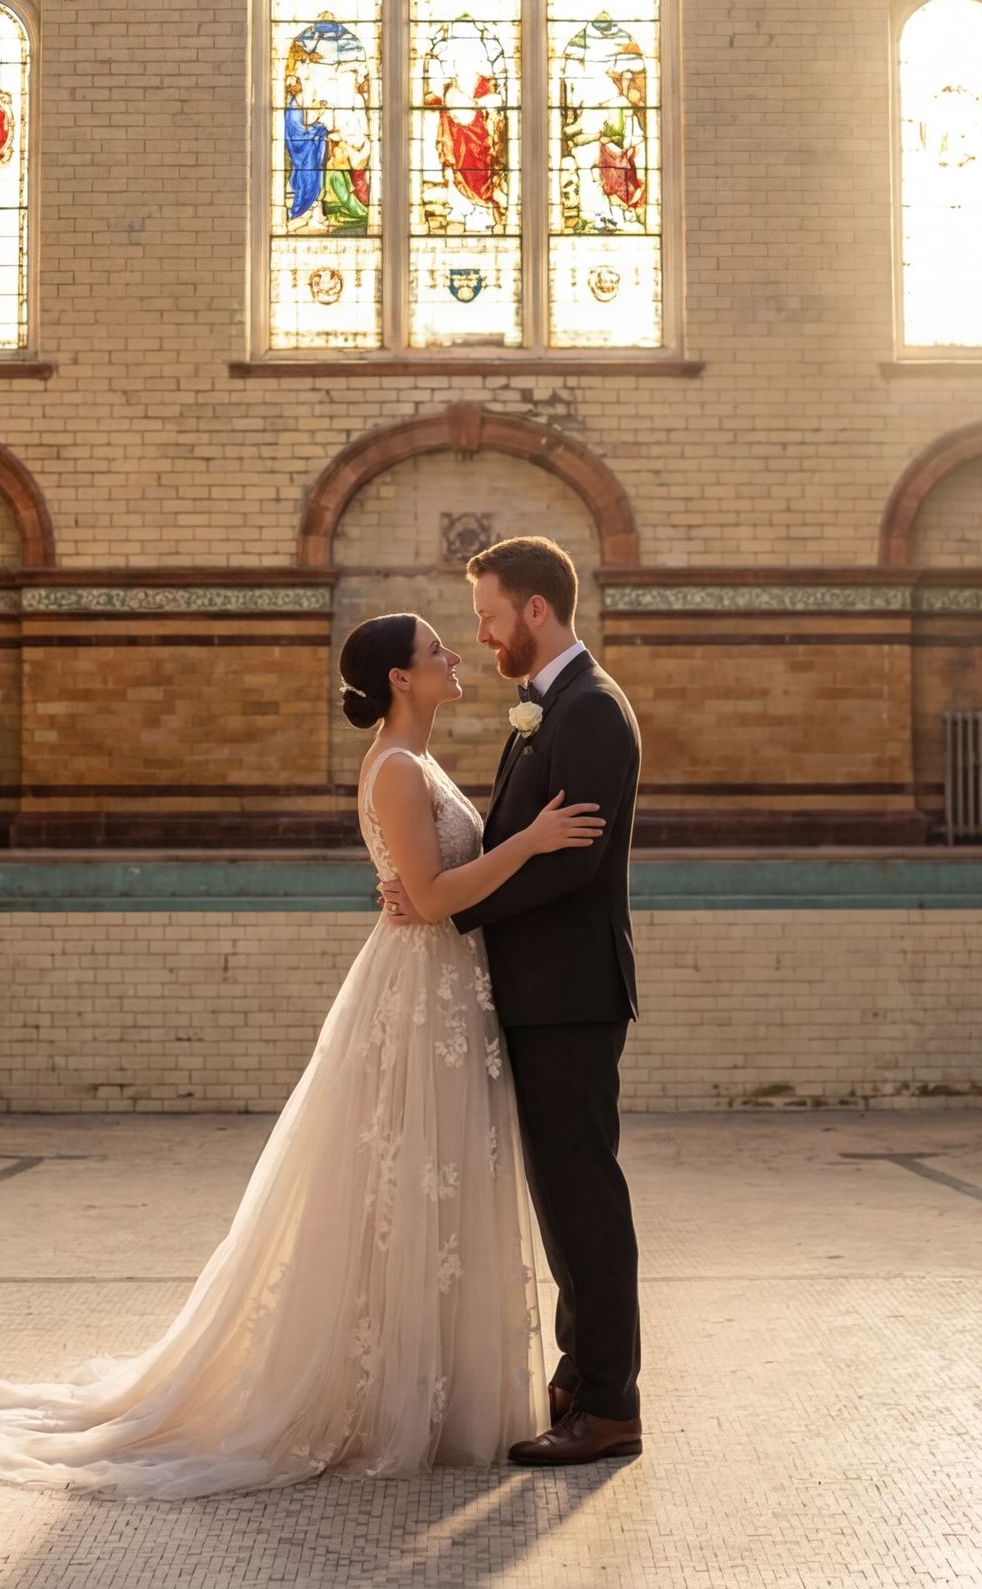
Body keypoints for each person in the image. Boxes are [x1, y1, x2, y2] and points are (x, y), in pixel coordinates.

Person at [0, 613, 603, 1497]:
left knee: (424, 1187)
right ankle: (379, 1393)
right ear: (400, 678)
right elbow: (430, 899)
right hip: (419, 989)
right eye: (437, 651)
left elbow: (420, 880)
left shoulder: (416, 763)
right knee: (399, 1185)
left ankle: (432, 1387)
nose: (453, 657)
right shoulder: (396, 767)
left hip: (446, 995)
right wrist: (530, 843)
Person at [381, 535, 646, 1467]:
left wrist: (448, 906)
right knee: (563, 1196)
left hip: (572, 994)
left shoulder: (593, 712)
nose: (483, 636)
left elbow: (571, 858)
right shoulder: (549, 705)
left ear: (536, 610)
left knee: (586, 1197)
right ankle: (579, 1381)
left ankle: (610, 1405)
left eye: (491, 617)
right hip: (540, 993)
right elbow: (517, 836)